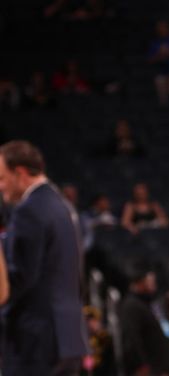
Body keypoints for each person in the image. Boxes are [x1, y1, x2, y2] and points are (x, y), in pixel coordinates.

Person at [0, 140, 89, 375]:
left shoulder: (29, 211)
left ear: (20, 173)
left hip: (35, 341)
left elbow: (19, 278)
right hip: (69, 338)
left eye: (2, 178)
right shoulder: (63, 205)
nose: (0, 186)